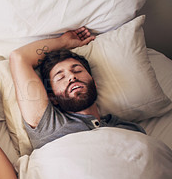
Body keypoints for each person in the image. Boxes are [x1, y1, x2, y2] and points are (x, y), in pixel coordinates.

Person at [9, 27, 146, 149]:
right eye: (60, 77)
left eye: (77, 70)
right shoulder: (49, 125)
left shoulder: (127, 129)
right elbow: (19, 58)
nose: (71, 77)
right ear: (53, 97)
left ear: (95, 84)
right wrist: (63, 42)